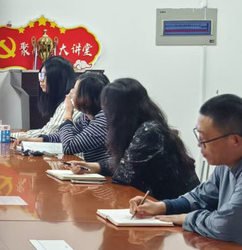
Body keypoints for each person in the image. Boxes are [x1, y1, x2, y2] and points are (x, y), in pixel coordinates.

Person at [130, 94, 242, 250]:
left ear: (235, 140)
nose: (199, 145)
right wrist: (162, 206)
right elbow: (202, 196)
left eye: (205, 140)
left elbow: (227, 225)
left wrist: (187, 218)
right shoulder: (230, 160)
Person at [69, 78, 199, 200]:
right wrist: (94, 166)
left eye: (107, 107)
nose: (104, 112)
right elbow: (127, 162)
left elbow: (124, 176)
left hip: (175, 206)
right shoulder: (141, 126)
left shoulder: (149, 131)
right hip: (157, 202)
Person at [26, 71, 110, 162]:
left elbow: (69, 147)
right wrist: (33, 140)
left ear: (85, 97)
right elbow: (65, 136)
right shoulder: (86, 117)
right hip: (90, 168)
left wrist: (68, 115)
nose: (70, 95)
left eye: (74, 90)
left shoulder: (103, 120)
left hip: (104, 171)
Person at [15, 56, 78, 139]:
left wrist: (10, 135)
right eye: (40, 75)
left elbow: (47, 134)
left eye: (45, 75)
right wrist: (10, 135)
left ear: (58, 78)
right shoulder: (65, 100)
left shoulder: (69, 102)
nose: (41, 80)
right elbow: (45, 131)